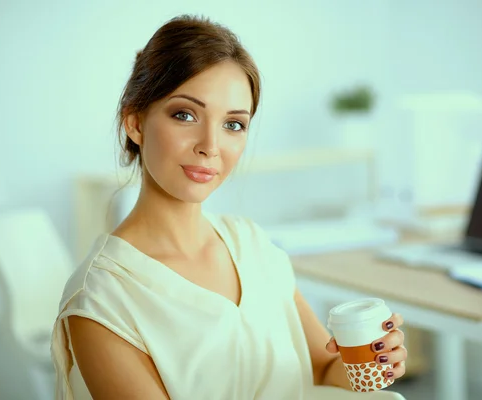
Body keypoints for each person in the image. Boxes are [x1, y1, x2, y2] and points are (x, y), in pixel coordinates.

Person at [50, 14, 407, 400]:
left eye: (233, 124)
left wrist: (373, 361)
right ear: (135, 123)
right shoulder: (101, 299)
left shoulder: (251, 243)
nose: (210, 145)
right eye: (185, 115)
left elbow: (323, 369)